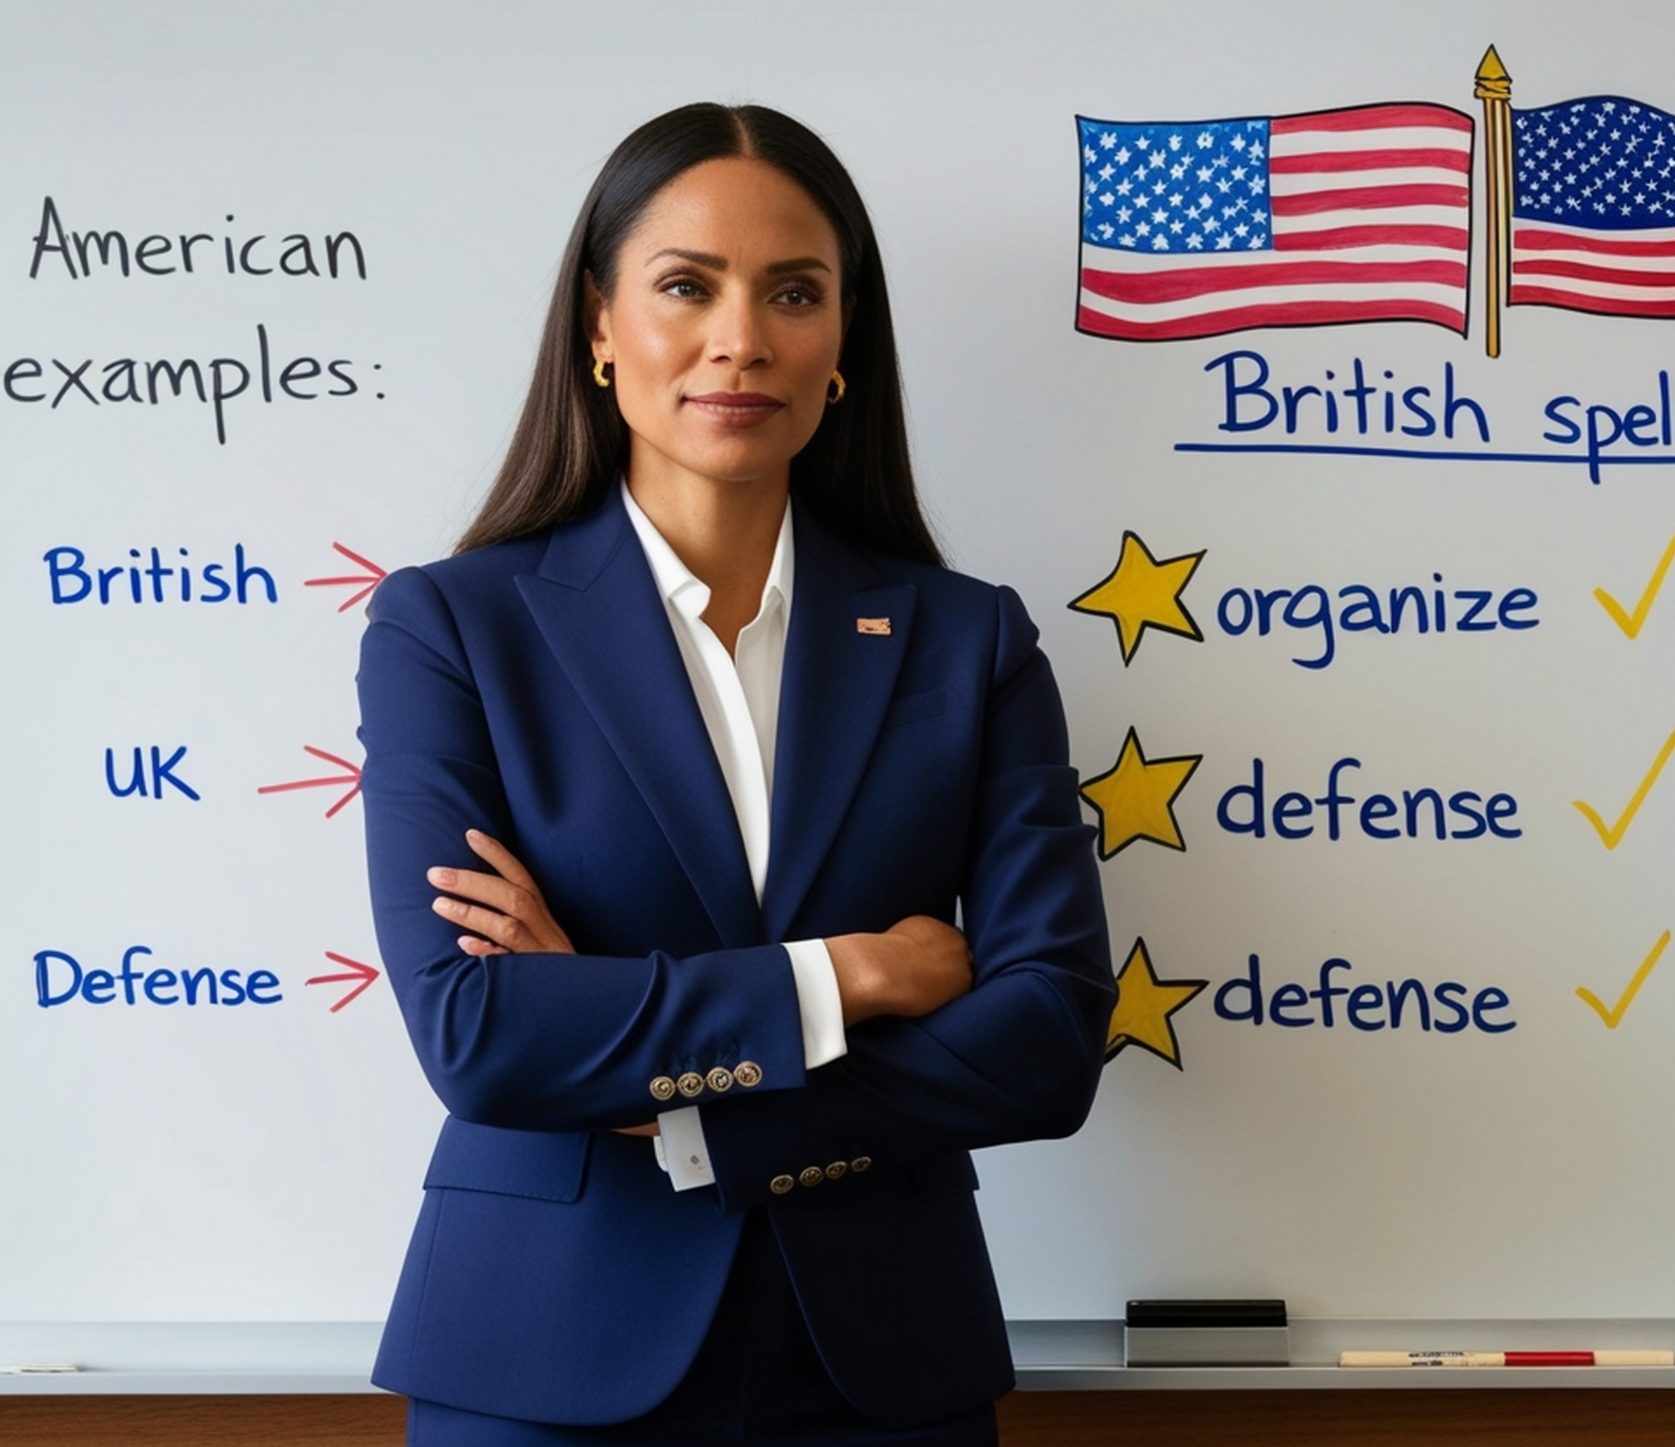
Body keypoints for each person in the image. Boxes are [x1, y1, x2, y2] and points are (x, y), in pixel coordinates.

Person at [354, 101, 1115, 1444]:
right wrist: (852, 976)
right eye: (685, 286)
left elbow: (1048, 1040)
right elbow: (478, 1036)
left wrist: (692, 1113)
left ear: (844, 343)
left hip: (884, 1366)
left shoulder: (969, 641)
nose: (742, 339)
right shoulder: (453, 628)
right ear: (599, 325)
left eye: (795, 293)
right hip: (542, 1354)